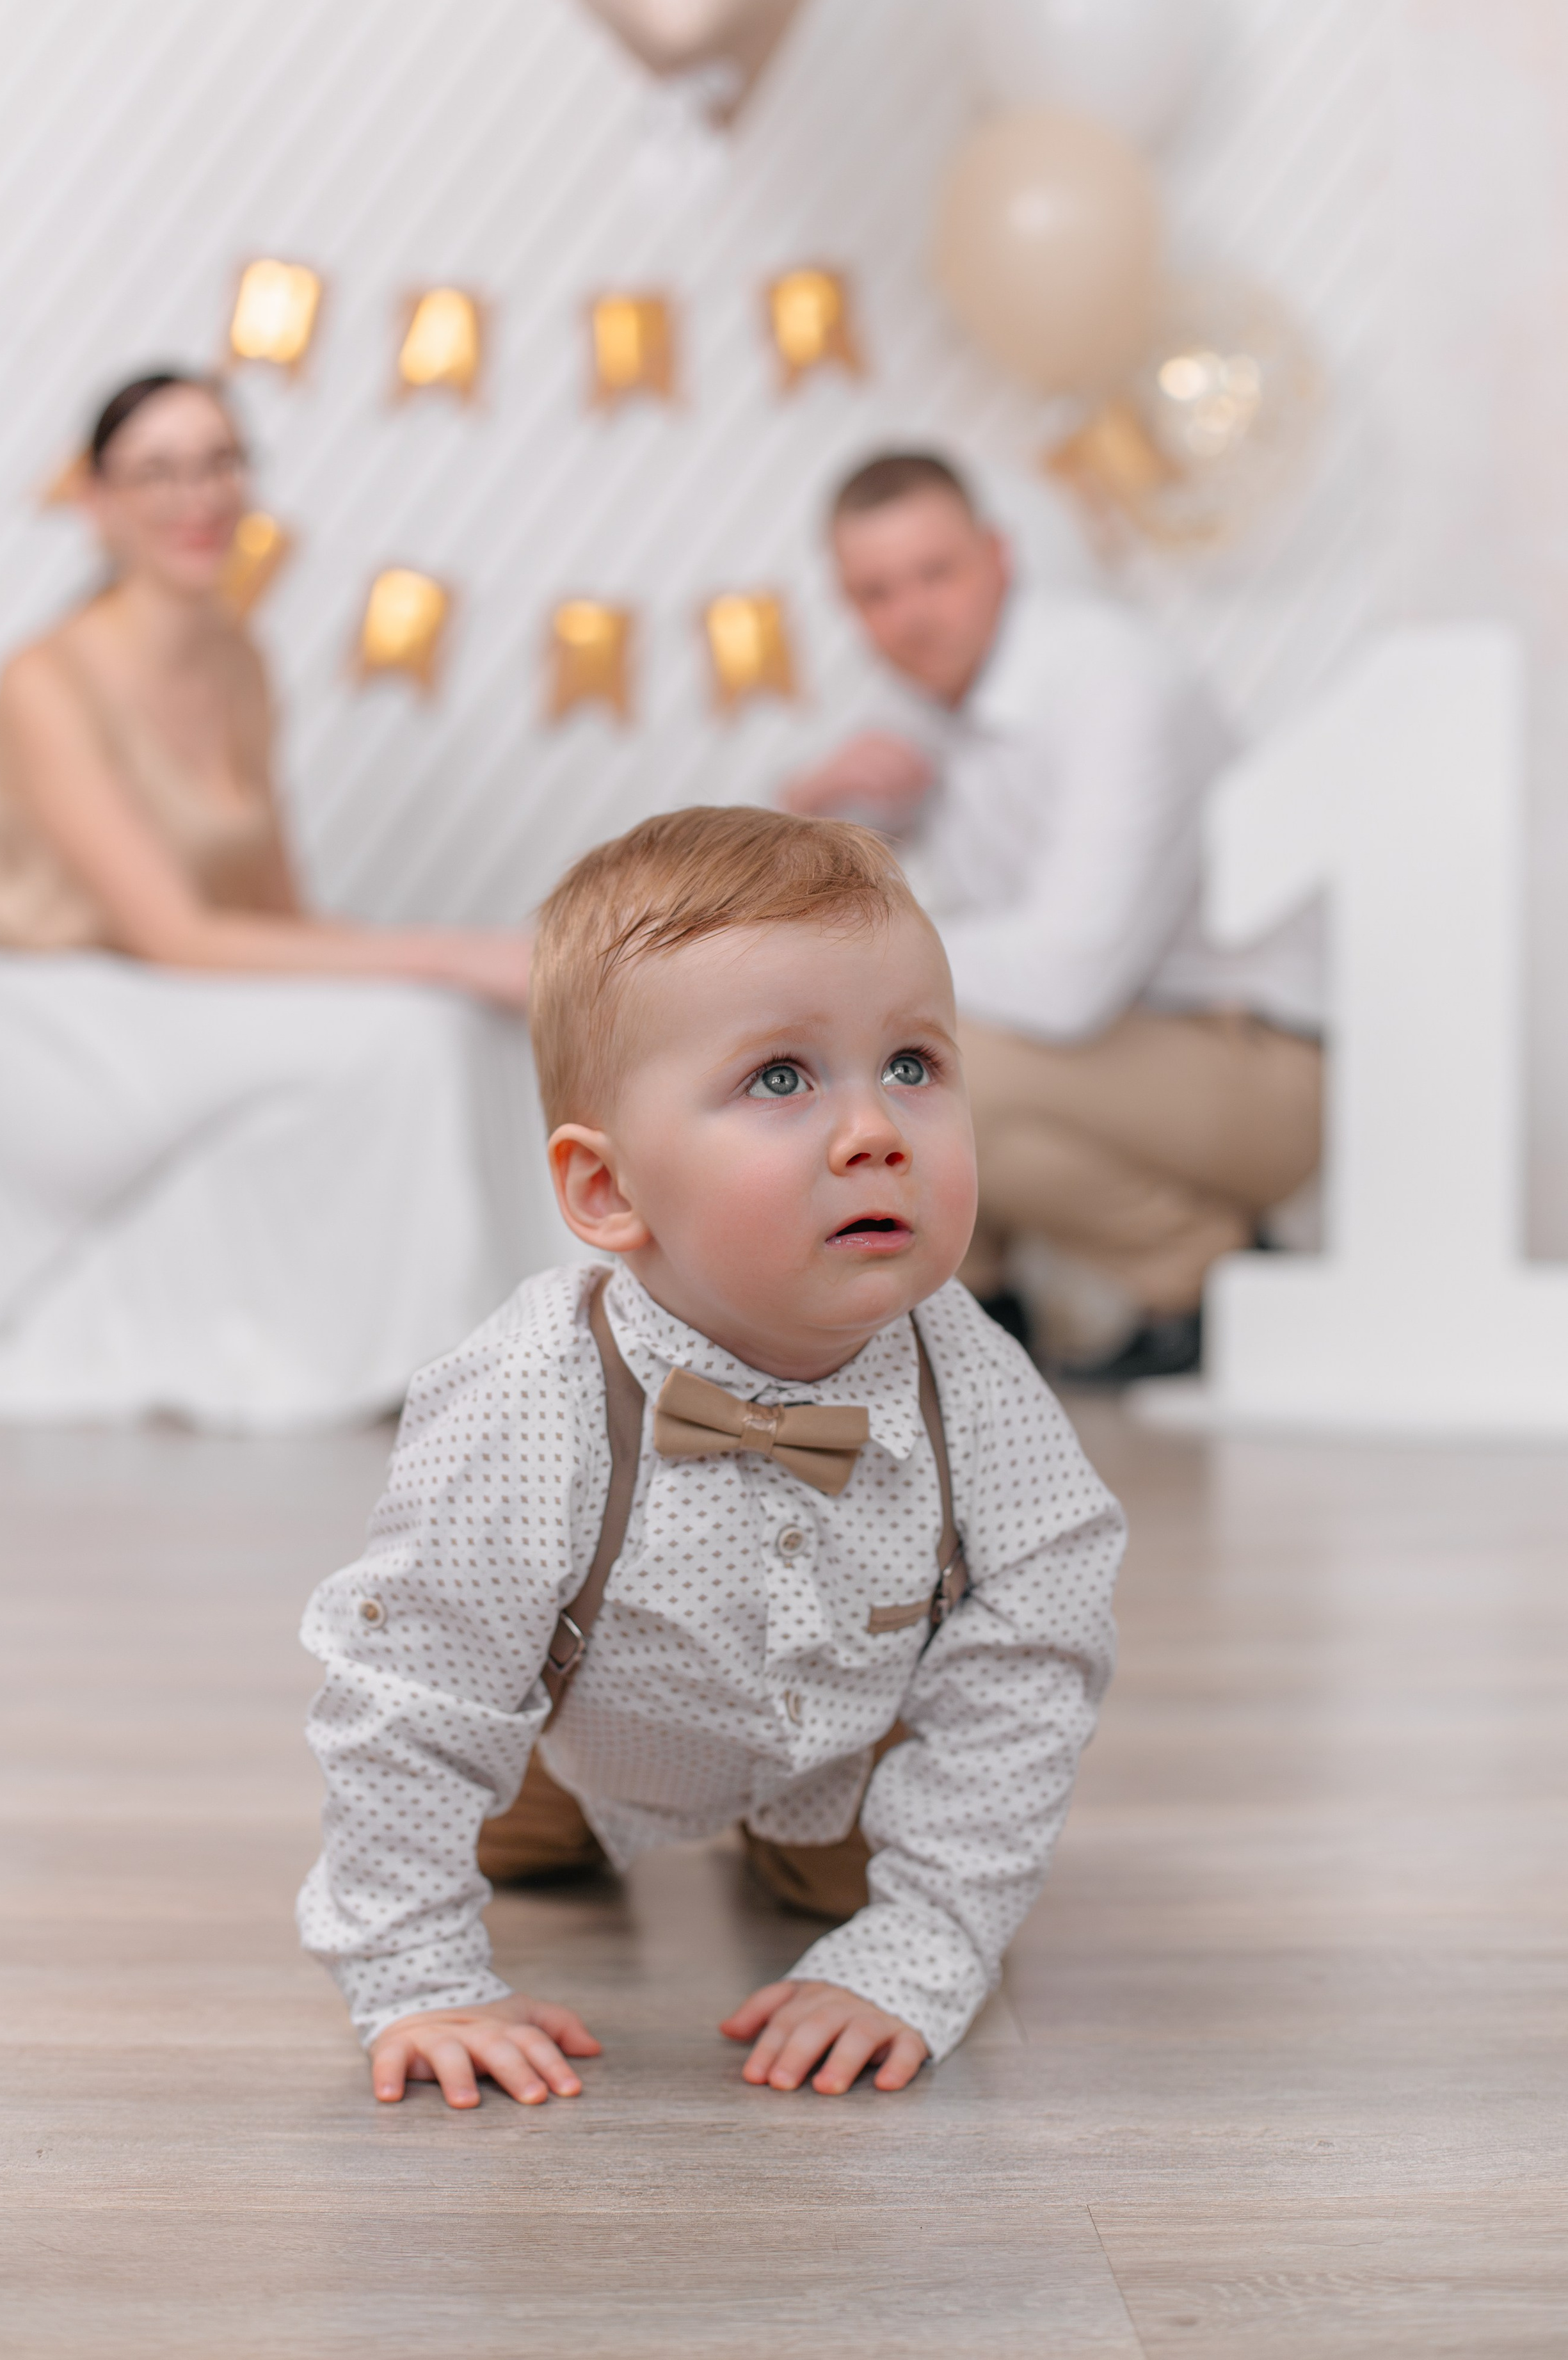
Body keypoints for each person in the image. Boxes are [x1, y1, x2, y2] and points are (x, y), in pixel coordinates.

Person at [298, 807, 1124, 2105]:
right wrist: (418, 1976)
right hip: (562, 1728)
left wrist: (927, 1937)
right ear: (606, 1194)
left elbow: (1034, 1645)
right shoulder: (530, 1400)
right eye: (781, 1080)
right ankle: (553, 1825)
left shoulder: (965, 1375)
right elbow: (410, 1692)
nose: (874, 1131)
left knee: (856, 1892)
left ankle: (816, 1861)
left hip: (837, 1750)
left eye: (911, 1063)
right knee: (493, 1811)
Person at [0, 370, 564, 1431]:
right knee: (418, 1032)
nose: (199, 495)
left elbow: (278, 918)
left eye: (221, 461)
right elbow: (172, 935)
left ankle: (543, 1358)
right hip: (73, 1022)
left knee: (477, 1026)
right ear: (96, 502)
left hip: (184, 1005)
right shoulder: (43, 681)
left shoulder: (241, 663)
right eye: (159, 470)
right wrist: (451, 951)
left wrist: (484, 970)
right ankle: (434, 1365)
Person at [780, 451, 1324, 1383]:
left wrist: (857, 953)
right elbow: (784, 915)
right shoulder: (920, 712)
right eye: (875, 593)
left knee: (916, 1070)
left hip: (1268, 1065)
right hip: (1140, 1051)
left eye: (935, 574)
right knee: (867, 1057)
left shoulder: (1115, 683)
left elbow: (1069, 982)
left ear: (1001, 556)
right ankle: (971, 1322)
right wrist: (808, 815)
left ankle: (1202, 1270)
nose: (909, 614)